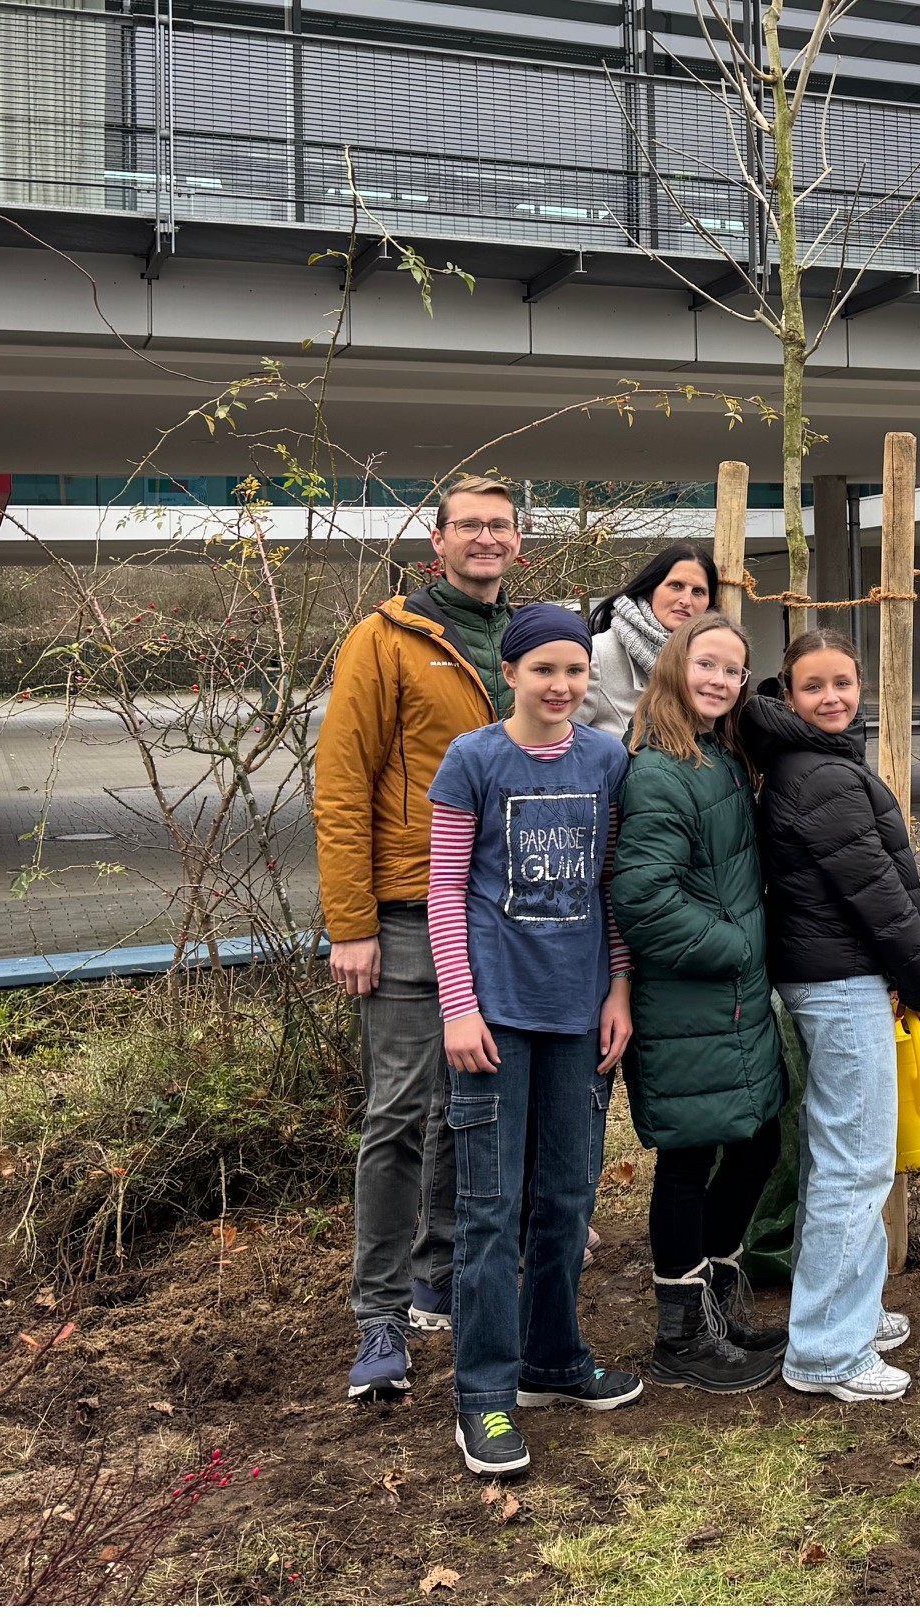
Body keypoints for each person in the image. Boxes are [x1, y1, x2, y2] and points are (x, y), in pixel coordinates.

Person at [427, 602, 643, 1477]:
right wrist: (458, 1006)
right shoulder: (472, 759)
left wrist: (619, 986)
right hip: (495, 1020)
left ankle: (552, 1358)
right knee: (489, 1209)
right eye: (543, 669)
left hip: (579, 1015)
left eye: (574, 670)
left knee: (567, 1199)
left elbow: (611, 884)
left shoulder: (607, 760)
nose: (560, 685)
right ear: (509, 673)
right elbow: (446, 890)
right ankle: (483, 1393)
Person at [315, 474, 517, 1402]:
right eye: (468, 525)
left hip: (498, 911)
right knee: (397, 1114)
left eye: (500, 526)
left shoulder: (523, 639)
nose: (485, 538)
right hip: (402, 912)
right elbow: (342, 781)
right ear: (436, 542)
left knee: (469, 1106)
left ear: (518, 542)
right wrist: (350, 923)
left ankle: (443, 1273)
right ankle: (380, 1314)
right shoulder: (387, 638)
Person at [743, 630, 920, 1403]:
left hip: (833, 975)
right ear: (787, 693)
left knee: (842, 1153)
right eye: (813, 686)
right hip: (840, 980)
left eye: (842, 682)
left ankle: (846, 1310)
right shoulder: (818, 773)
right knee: (854, 1161)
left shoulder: (811, 760)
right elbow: (878, 897)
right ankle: (827, 1348)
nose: (831, 697)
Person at [611, 613, 788, 1394]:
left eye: (732, 669)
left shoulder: (716, 755)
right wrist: (736, 947)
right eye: (705, 664)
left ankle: (713, 1305)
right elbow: (643, 898)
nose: (718, 679)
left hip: (729, 999)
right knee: (688, 1159)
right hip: (691, 996)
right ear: (674, 667)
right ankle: (680, 1336)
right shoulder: (660, 769)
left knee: (754, 1142)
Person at [579, 545, 720, 738]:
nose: (686, 600)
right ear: (650, 589)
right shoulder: (598, 655)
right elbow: (560, 740)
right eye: (676, 586)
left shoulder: (715, 663)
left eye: (698, 592)